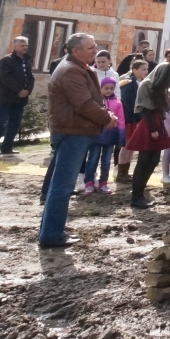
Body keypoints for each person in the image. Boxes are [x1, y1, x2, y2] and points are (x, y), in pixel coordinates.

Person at [39, 32, 115, 248]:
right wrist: (106, 118)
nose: (95, 50)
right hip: (72, 132)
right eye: (90, 47)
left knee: (60, 184)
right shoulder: (71, 71)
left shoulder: (76, 67)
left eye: (95, 46)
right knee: (62, 186)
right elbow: (83, 104)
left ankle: (49, 231)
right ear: (75, 51)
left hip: (75, 130)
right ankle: (52, 235)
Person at [127, 61, 170, 208]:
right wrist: (153, 129)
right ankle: (136, 197)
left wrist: (160, 127)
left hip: (157, 122)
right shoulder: (146, 84)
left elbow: (162, 109)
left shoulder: (160, 88)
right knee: (144, 161)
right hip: (148, 124)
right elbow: (144, 109)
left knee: (153, 160)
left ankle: (141, 194)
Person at [84, 78, 126, 193]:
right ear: (100, 88)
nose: (108, 91)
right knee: (92, 159)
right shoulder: (96, 103)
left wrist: (121, 137)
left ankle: (103, 183)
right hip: (96, 136)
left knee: (106, 161)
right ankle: (89, 183)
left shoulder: (117, 103)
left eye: (111, 88)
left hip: (110, 137)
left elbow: (121, 121)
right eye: (106, 88)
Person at [0, 35, 35, 155]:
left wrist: (27, 91)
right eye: (22, 45)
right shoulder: (7, 60)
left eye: (26, 45)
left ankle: (7, 148)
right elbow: (5, 78)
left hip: (20, 100)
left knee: (15, 123)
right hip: (6, 99)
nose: (25, 48)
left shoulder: (26, 60)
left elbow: (30, 77)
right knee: (1, 122)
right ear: (15, 46)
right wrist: (19, 90)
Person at [116, 58, 149, 182]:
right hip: (130, 118)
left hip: (138, 118)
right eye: (143, 69)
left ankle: (126, 170)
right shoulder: (128, 83)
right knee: (126, 145)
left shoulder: (142, 82)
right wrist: (137, 116)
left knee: (131, 147)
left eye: (146, 69)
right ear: (134, 70)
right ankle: (121, 172)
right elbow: (128, 102)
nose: (145, 71)